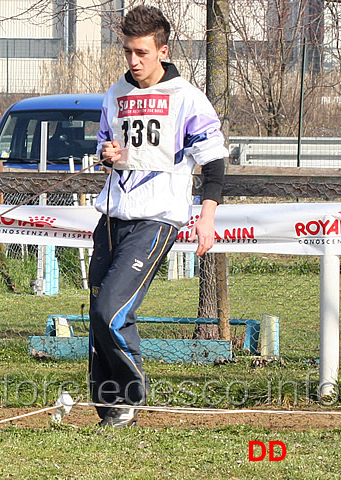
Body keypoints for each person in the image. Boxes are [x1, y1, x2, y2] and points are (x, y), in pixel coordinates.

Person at [88, 5, 227, 427]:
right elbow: (105, 149)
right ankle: (110, 409)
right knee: (98, 312)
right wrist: (108, 155)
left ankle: (132, 395)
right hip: (113, 216)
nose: (133, 60)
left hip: (156, 220)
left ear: (162, 51)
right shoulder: (115, 94)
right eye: (128, 51)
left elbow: (215, 161)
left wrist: (207, 216)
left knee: (111, 310)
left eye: (142, 52)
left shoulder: (187, 98)